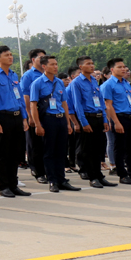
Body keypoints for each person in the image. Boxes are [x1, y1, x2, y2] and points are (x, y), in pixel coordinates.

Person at [0, 46, 31, 198]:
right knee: (2, 153)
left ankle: (14, 184)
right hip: (3, 117)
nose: (11, 57)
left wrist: (24, 117)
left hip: (17, 116)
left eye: (11, 54)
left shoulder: (13, 74)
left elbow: (19, 98)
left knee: (16, 152)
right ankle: (4, 186)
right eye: (7, 55)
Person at [29, 56, 80, 193]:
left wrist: (68, 122)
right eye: (52, 64)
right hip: (47, 119)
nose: (56, 67)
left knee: (61, 151)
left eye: (56, 64)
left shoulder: (59, 82)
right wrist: (38, 125)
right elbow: (33, 105)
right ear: (44, 66)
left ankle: (62, 180)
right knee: (49, 152)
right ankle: (52, 180)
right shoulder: (37, 83)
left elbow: (64, 103)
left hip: (60, 119)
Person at [100, 58, 131, 185]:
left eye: (124, 67)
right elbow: (108, 105)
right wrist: (116, 122)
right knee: (119, 147)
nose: (123, 69)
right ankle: (122, 174)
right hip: (120, 117)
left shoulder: (126, 83)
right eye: (120, 67)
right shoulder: (108, 85)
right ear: (112, 69)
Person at [70, 56, 115, 189]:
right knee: (88, 150)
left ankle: (100, 176)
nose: (92, 66)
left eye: (92, 63)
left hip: (98, 117)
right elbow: (77, 104)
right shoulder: (76, 83)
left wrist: (104, 119)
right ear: (81, 67)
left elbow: (101, 101)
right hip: (87, 117)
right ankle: (92, 177)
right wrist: (83, 122)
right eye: (88, 64)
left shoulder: (94, 81)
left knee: (98, 149)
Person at [20, 49, 47, 184]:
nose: (43, 60)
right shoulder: (28, 76)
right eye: (40, 57)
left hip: (48, 113)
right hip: (34, 112)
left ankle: (47, 170)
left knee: (47, 144)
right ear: (33, 60)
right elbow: (26, 97)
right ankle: (37, 171)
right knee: (35, 144)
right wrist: (29, 116)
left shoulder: (48, 74)